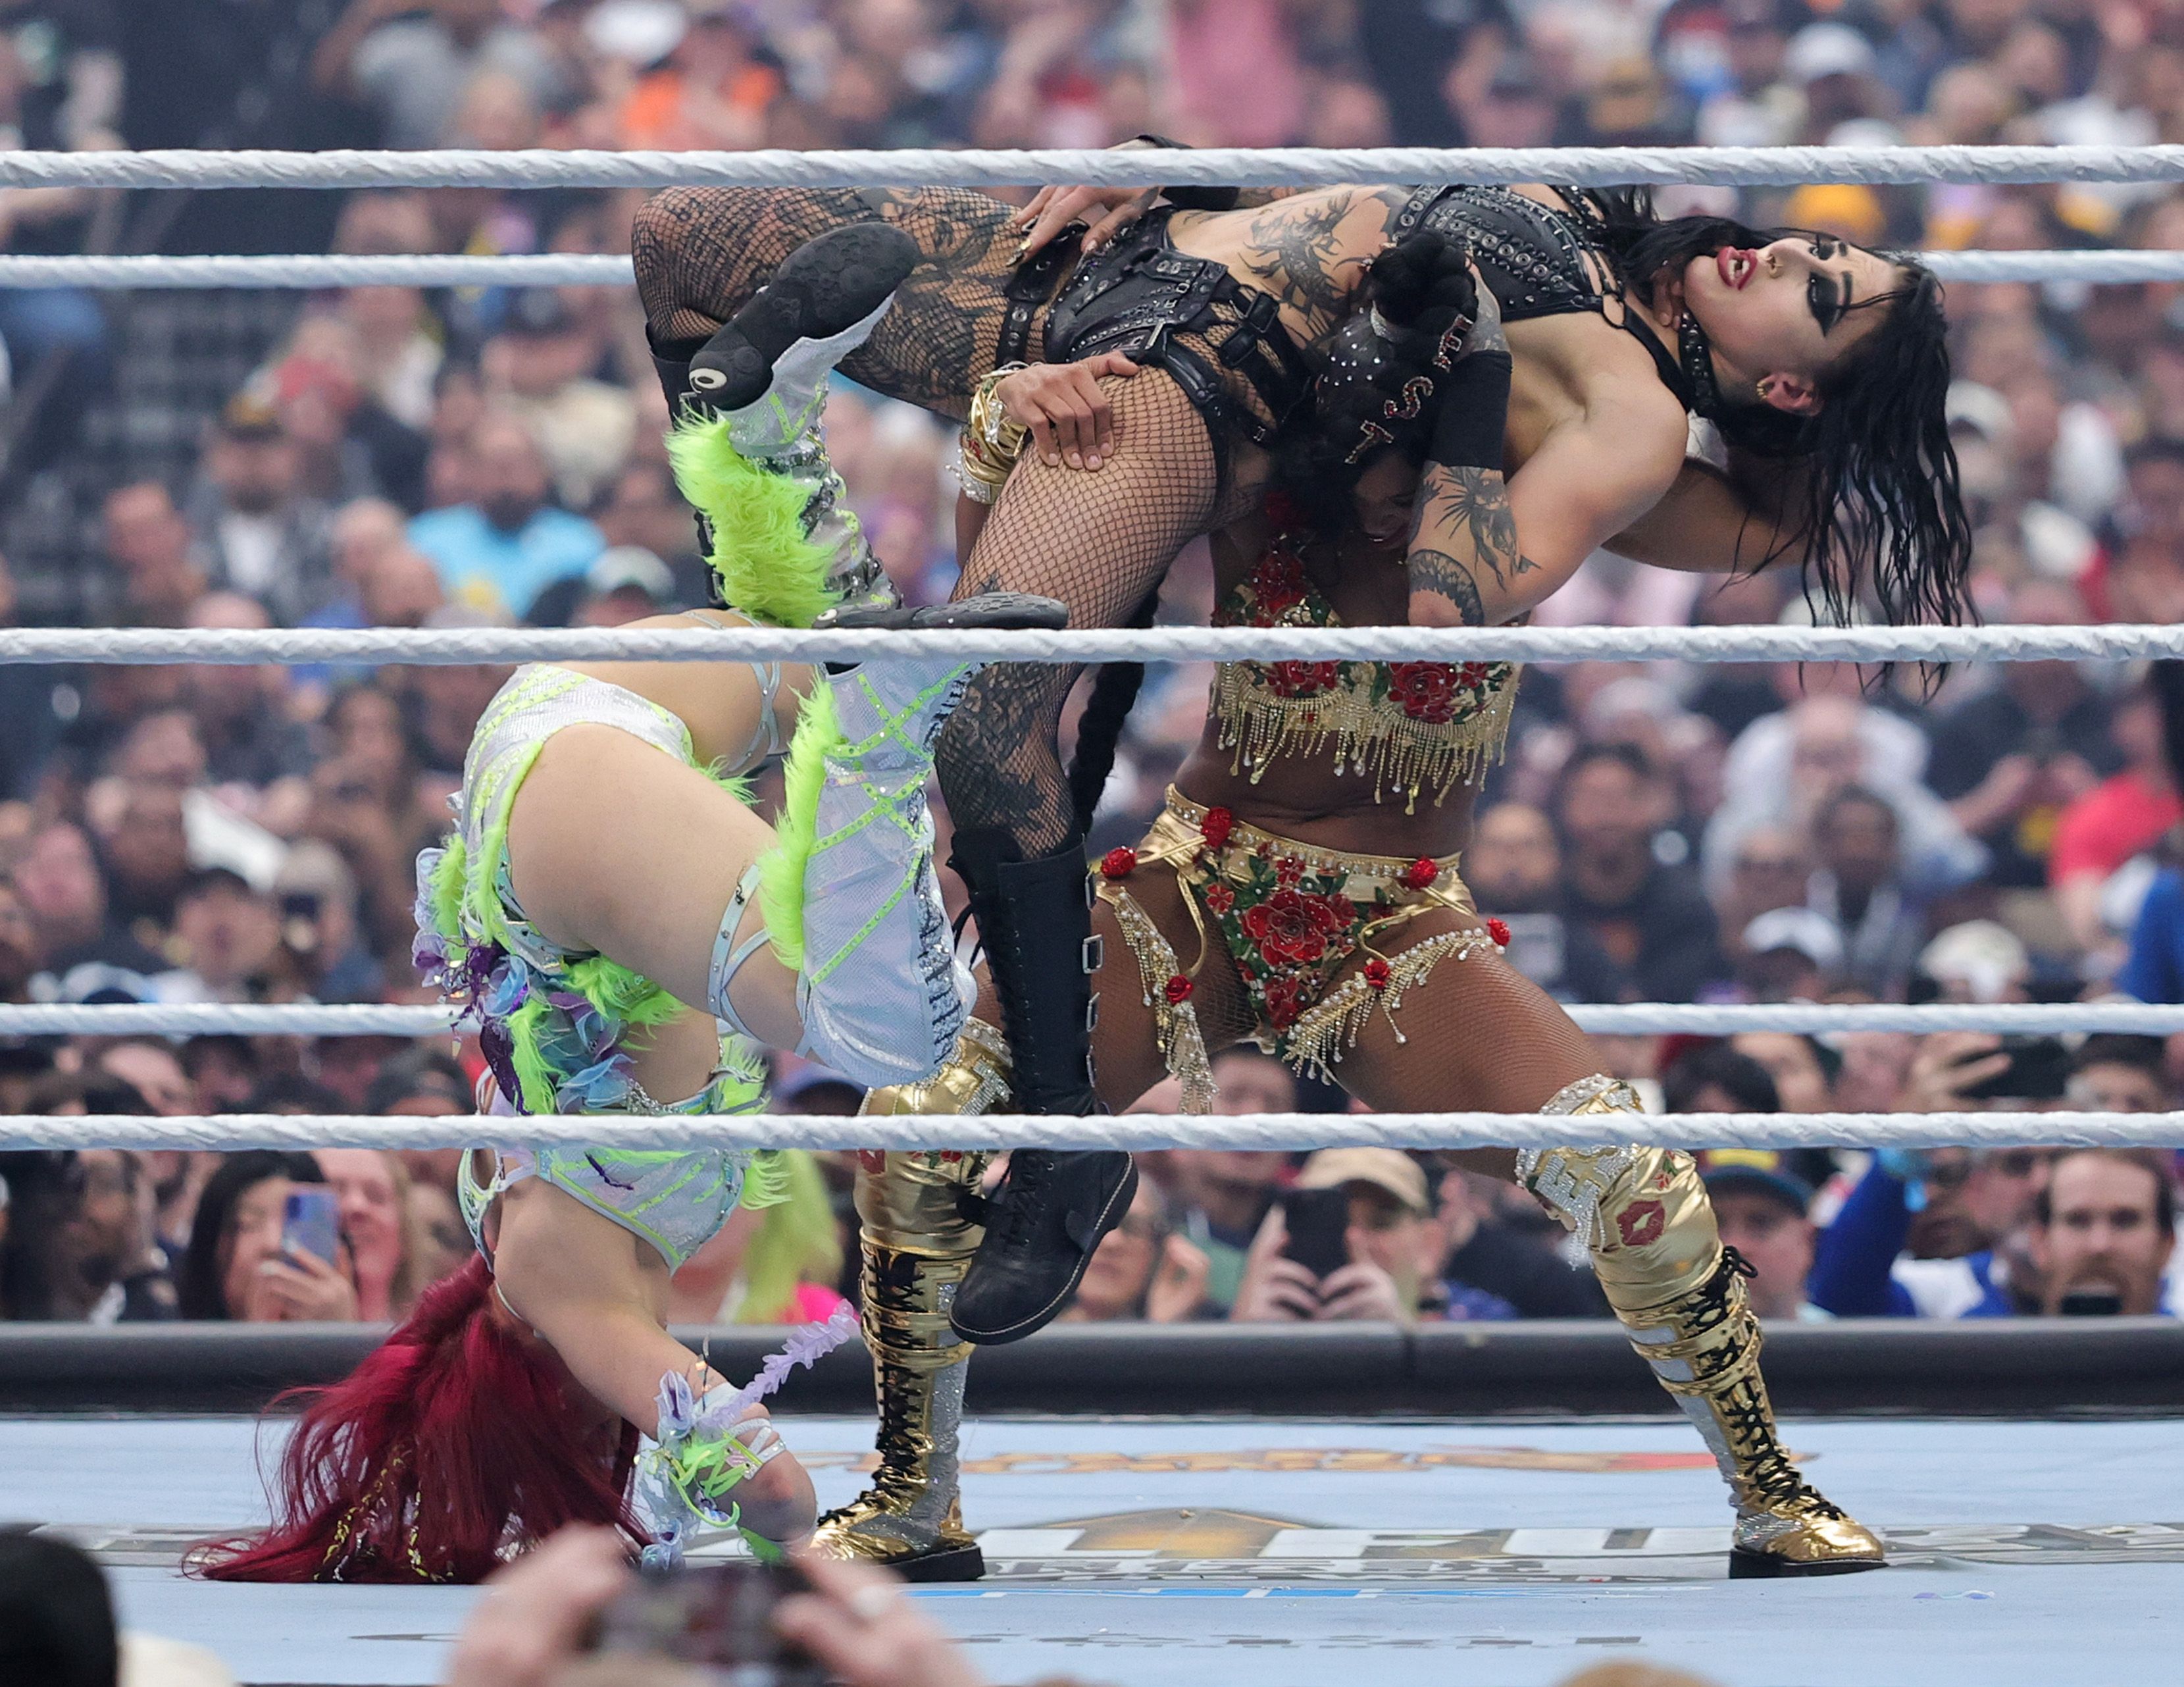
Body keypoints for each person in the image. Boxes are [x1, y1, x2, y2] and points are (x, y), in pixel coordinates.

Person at [630, 161, 1969, 1370]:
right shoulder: (1580, 213)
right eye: (1811, 246)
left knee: (983, 719)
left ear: (1792, 389)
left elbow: (1470, 592)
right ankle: (761, 585)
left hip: (1190, 390)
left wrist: (1474, 387)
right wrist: (1176, 166)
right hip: (1130, 269)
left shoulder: (1629, 412)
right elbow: (1342, 206)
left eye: (1819, 295)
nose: (1781, 254)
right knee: (680, 237)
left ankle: (1058, 1140)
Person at [819, 241, 1895, 1581]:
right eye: (1370, 421)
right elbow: (1023, 614)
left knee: (1630, 1174)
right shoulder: (1243, 461)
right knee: (921, 1126)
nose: (1388, 458)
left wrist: (1791, 384)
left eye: (1418, 422)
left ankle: (1770, 1490)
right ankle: (911, 1496)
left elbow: (1771, 526)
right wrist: (1005, 427)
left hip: (1394, 927)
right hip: (1197, 885)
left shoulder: (1554, 477)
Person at [198, 228, 1063, 1586]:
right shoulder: (534, 1235)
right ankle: (759, 434)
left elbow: (769, 1480)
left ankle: (881, 727)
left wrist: (737, 1521)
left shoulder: (561, 1286)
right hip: (567, 742)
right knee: (828, 667)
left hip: (565, 817)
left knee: (895, 1033)